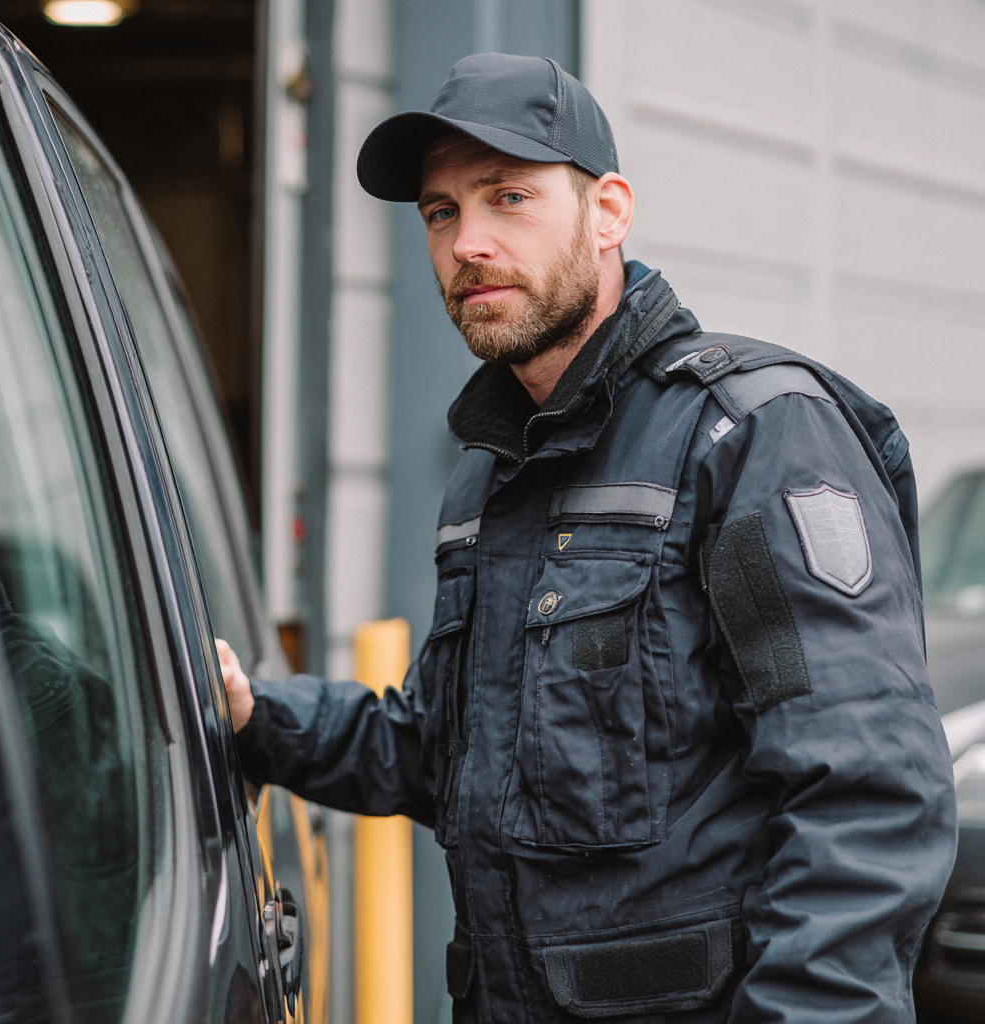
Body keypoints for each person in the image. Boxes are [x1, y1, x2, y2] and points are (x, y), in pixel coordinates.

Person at [218, 53, 957, 1024]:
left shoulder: (744, 438)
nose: (466, 242)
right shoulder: (490, 474)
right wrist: (251, 717)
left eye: (508, 196)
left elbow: (864, 799)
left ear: (608, 212)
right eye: (440, 213)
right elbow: (453, 752)